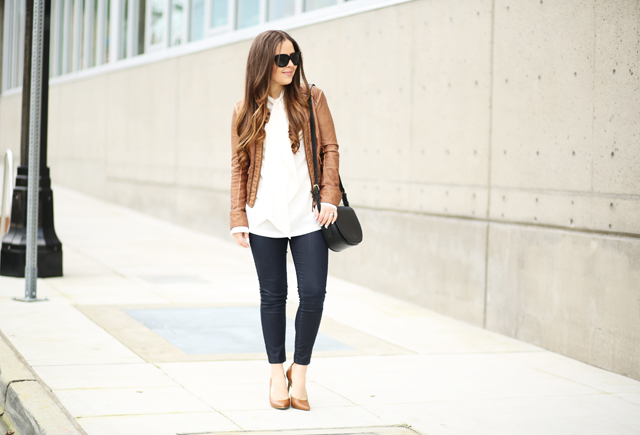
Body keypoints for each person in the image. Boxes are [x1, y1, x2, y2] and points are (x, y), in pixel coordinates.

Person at [229, 30, 341, 411]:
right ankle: (277, 372)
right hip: (263, 216)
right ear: (264, 63)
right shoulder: (246, 109)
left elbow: (330, 147)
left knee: (313, 295)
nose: (290, 64)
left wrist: (329, 198)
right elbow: (239, 165)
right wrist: (238, 216)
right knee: (273, 297)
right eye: (281, 59)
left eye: (294, 57)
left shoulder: (312, 99)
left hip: (307, 214)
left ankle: (301, 371)